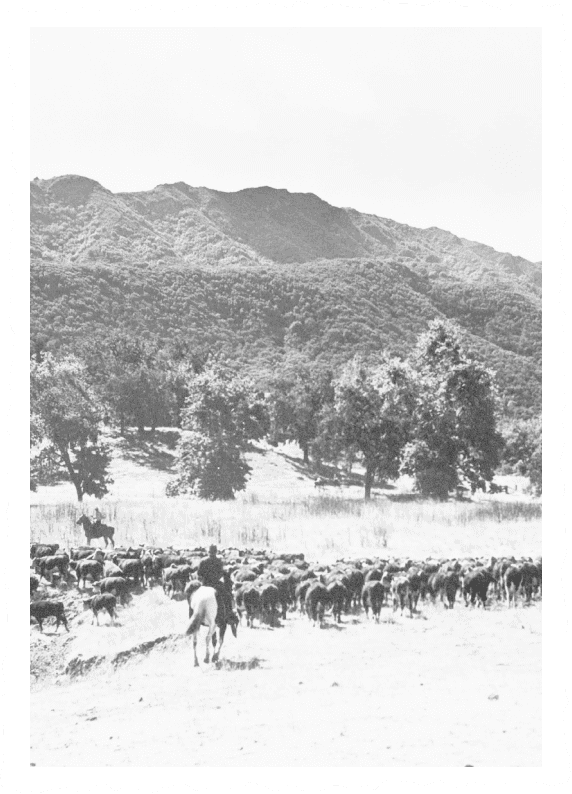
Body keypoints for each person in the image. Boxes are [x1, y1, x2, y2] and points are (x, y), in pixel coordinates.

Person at [197, 545, 236, 624]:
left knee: (195, 596)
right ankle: (229, 614)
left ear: (208, 551)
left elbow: (199, 574)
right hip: (216, 584)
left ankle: (192, 615)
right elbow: (221, 574)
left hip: (205, 584)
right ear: (216, 551)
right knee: (227, 596)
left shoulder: (203, 561)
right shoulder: (219, 561)